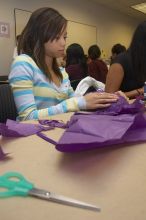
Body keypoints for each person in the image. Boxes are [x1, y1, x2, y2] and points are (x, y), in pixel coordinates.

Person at [9, 7, 118, 121]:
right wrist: (77, 103)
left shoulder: (61, 71)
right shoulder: (23, 64)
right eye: (57, 37)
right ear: (39, 37)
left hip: (58, 130)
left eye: (65, 37)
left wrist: (104, 98)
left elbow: (75, 101)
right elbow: (27, 117)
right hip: (33, 136)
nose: (63, 43)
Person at [105, 21, 146, 99]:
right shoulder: (120, 62)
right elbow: (108, 98)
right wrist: (140, 91)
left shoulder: (142, 61)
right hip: (123, 109)